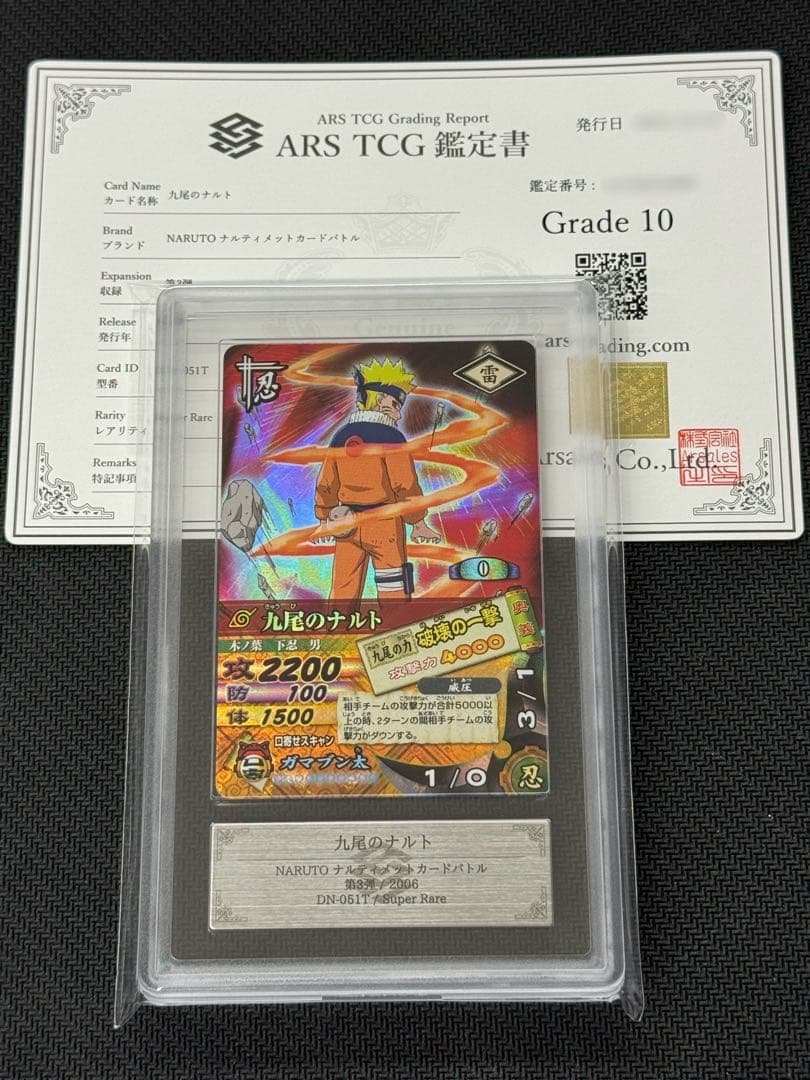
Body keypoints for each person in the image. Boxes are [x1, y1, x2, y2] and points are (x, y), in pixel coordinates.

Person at [315, 357, 440, 600]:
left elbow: (326, 482)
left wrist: (324, 517)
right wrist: (418, 522)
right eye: (395, 403)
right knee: (393, 591)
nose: (398, 414)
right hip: (384, 525)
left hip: (345, 522)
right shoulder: (392, 438)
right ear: (379, 398)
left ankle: (337, 626)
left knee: (342, 592)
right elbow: (404, 485)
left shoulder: (341, 436)